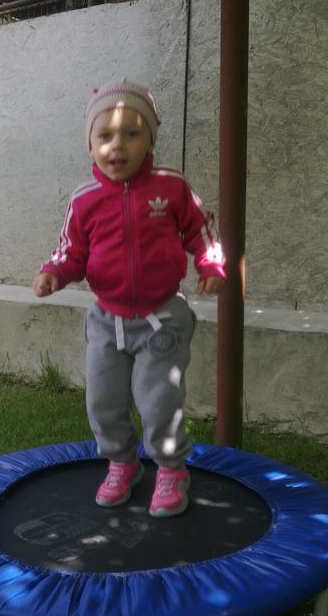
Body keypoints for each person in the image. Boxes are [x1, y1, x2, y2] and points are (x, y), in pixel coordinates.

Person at [33, 80, 225, 517]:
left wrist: (211, 265)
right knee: (103, 401)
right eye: (105, 136)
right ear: (90, 146)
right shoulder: (84, 200)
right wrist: (54, 273)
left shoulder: (171, 187)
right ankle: (122, 462)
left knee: (158, 402)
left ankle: (171, 469)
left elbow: (202, 230)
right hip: (107, 321)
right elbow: (71, 251)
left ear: (150, 139)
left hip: (162, 318)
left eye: (131, 134)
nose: (117, 145)